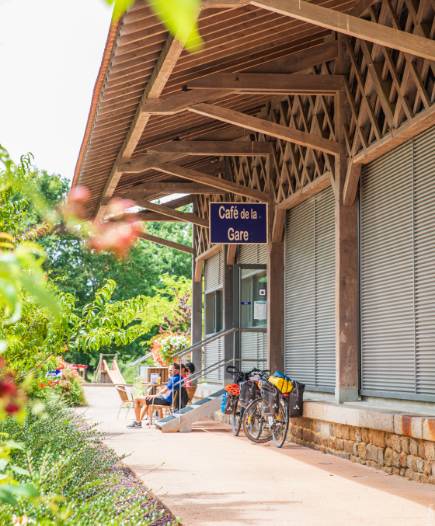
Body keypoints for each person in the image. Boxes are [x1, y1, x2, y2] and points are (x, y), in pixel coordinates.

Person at [127, 363, 183, 429]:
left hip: (164, 400)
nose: (169, 371)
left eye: (171, 370)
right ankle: (139, 421)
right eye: (169, 370)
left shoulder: (174, 379)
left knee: (137, 399)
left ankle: (138, 422)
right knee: (146, 400)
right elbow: (168, 390)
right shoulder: (179, 378)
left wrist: (155, 395)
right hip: (165, 399)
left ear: (176, 371)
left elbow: (165, 390)